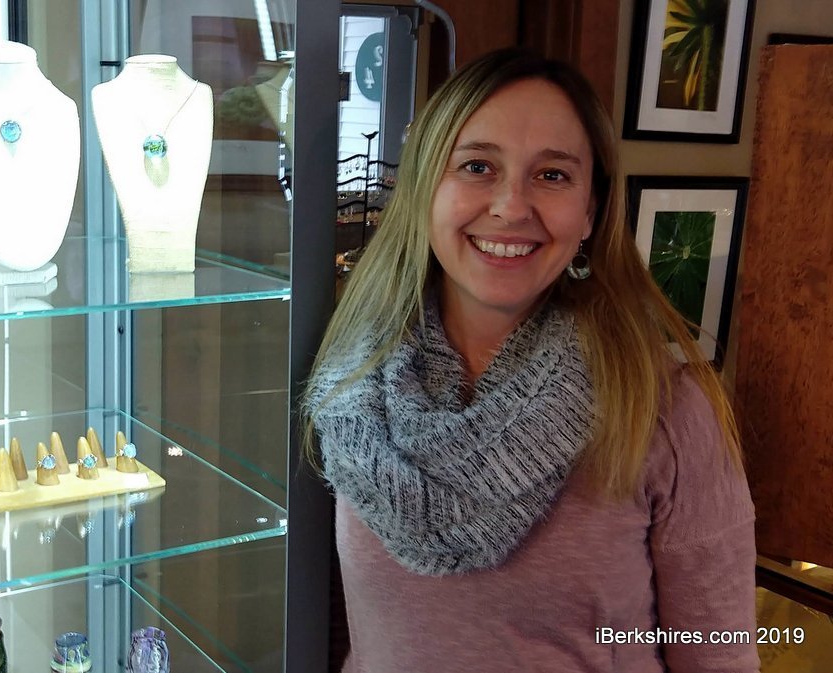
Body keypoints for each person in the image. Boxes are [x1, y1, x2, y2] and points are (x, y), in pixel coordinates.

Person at [304, 48, 758, 672]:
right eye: (477, 166)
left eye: (552, 175)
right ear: (424, 189)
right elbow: (334, 627)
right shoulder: (352, 386)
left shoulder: (665, 409)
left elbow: (718, 657)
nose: (512, 206)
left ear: (591, 211)